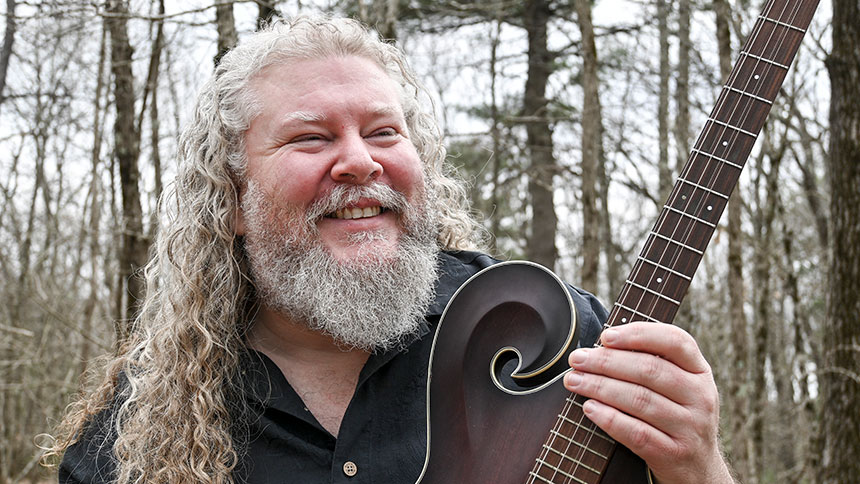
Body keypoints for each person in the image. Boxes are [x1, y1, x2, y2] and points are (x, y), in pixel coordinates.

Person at [51, 15, 735, 484]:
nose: (359, 162)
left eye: (383, 133)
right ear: (230, 200)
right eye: (310, 138)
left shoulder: (548, 333)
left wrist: (698, 466)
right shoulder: (139, 436)